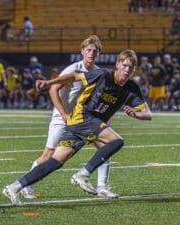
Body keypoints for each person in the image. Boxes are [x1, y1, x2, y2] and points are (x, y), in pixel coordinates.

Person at [3, 49, 152, 205]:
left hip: (83, 123)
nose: (127, 70)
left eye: (131, 67)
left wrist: (136, 115)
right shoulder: (103, 75)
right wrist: (49, 82)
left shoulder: (131, 88)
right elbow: (74, 76)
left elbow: (147, 114)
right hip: (84, 117)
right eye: (125, 65)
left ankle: (14, 187)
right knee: (116, 141)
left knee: (55, 162)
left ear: (134, 70)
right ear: (117, 65)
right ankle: (84, 174)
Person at [19, 35, 119, 199]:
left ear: (99, 54)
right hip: (62, 117)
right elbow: (53, 89)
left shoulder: (99, 73)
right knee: (49, 154)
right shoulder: (73, 69)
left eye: (95, 51)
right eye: (89, 50)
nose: (92, 53)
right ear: (82, 51)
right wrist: (64, 114)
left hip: (83, 119)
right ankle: (26, 185)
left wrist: (103, 118)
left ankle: (102, 188)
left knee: (105, 147)